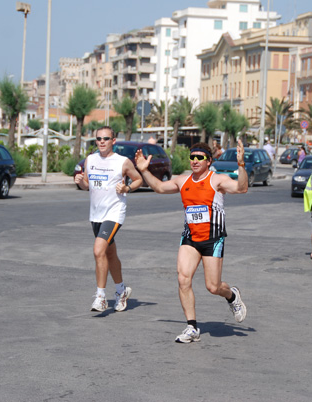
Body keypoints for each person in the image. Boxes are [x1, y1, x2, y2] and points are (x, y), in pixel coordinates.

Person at [135, 140, 248, 344]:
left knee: (213, 287)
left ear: (209, 161)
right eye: (192, 157)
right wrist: (144, 170)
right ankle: (192, 327)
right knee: (183, 278)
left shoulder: (217, 180)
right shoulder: (183, 180)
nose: (195, 161)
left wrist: (241, 166)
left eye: (200, 158)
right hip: (190, 238)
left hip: (213, 239)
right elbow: (160, 187)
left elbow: (241, 188)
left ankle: (232, 296)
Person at [74, 126, 144, 313]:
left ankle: (100, 297)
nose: (101, 142)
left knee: (98, 251)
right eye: (98, 139)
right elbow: (87, 185)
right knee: (109, 253)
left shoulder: (122, 162)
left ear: (114, 140)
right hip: (96, 214)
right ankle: (121, 290)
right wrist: (81, 182)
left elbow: (138, 180)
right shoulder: (90, 160)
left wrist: (127, 189)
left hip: (114, 213)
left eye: (106, 138)